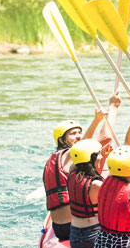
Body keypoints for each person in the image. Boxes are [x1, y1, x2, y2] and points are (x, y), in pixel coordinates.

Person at [67, 98, 130, 248]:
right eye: (99, 155)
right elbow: (127, 150)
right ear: (94, 159)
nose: (102, 156)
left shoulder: (72, 173)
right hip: (92, 237)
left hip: (74, 237)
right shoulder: (98, 185)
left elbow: (81, 149)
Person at [43, 93, 120, 240]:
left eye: (79, 133)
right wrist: (113, 106)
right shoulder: (68, 156)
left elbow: (84, 144)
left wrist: (96, 120)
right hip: (71, 227)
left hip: (59, 228)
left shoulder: (57, 160)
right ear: (61, 139)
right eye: (73, 134)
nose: (78, 136)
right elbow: (106, 137)